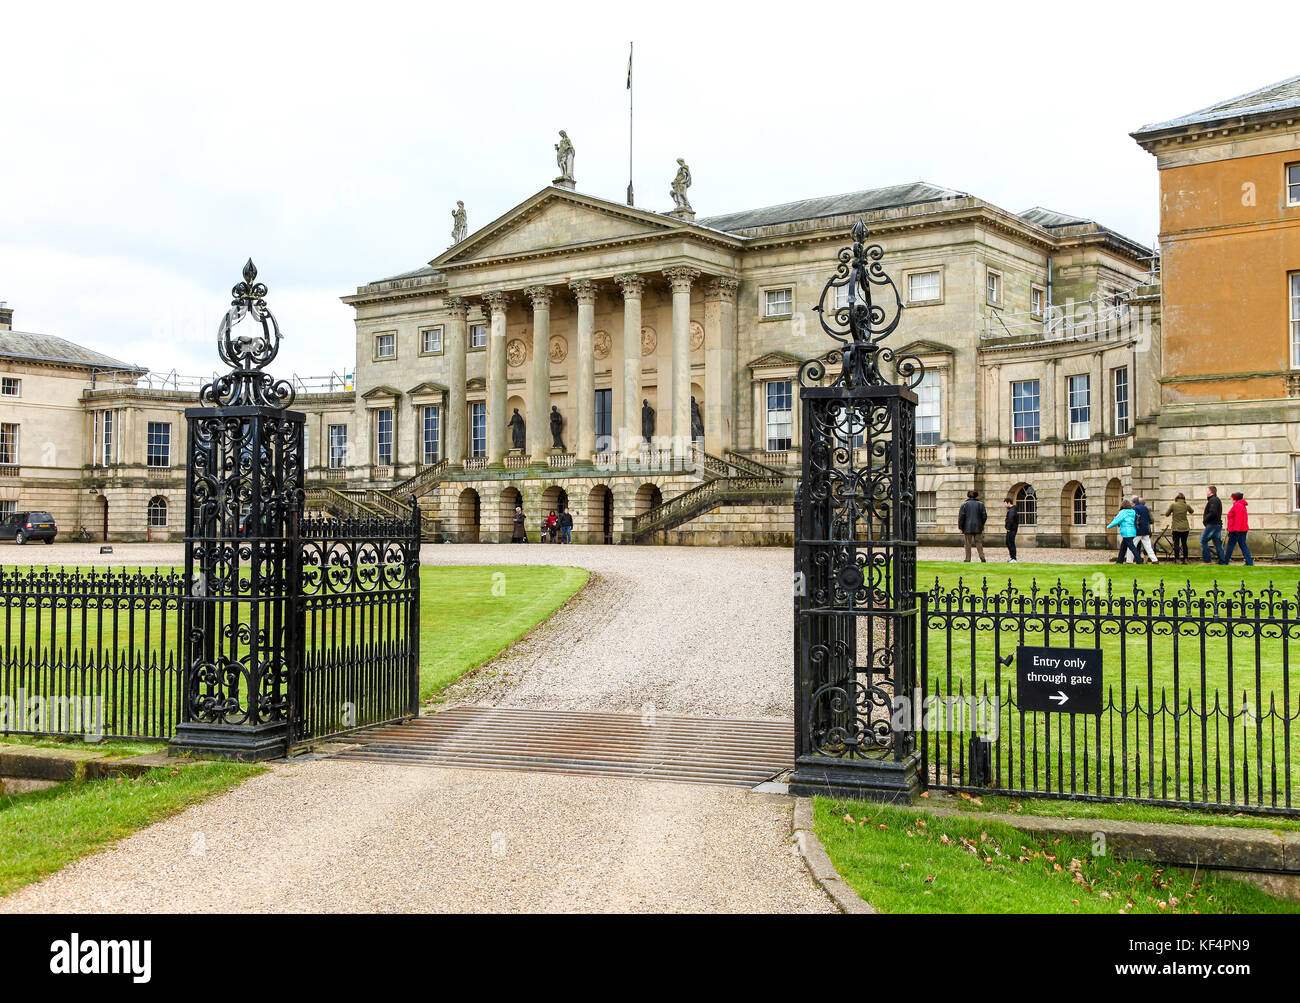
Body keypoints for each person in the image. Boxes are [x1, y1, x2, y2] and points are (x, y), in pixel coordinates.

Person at [1222, 491, 1254, 566]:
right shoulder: (1241, 505)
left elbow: (1238, 519)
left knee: (1230, 546)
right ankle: (1249, 562)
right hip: (1242, 529)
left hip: (1236, 530)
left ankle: (1225, 561)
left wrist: (1236, 529)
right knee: (1243, 545)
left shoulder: (1237, 505)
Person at [1107, 500, 1142, 565]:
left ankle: (1140, 561)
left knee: (1132, 547)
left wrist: (1108, 526)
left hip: (1126, 532)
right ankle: (1119, 561)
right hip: (1132, 531)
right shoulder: (1133, 511)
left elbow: (1116, 520)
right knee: (1123, 547)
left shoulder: (1123, 512)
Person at [957, 489, 987, 563]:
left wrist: (960, 527)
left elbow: (961, 517)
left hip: (967, 527)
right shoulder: (981, 504)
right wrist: (981, 524)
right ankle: (982, 556)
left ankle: (968, 558)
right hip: (978, 526)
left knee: (968, 543)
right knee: (979, 542)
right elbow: (984, 516)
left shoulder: (964, 504)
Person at [1164, 492, 1193, 564]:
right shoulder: (1186, 505)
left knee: (1176, 544)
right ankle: (1185, 559)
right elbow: (1192, 511)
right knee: (1184, 543)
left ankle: (1177, 559)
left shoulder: (1173, 505)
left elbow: (1167, 514)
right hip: (1185, 528)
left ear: (1176, 499)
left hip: (1176, 528)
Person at [1201, 485, 1226, 564]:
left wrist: (1205, 520)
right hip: (1217, 525)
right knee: (1217, 543)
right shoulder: (1216, 500)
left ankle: (1207, 560)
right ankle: (1222, 561)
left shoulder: (1213, 500)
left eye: (1207, 491)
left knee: (1203, 541)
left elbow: (1213, 512)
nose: (1206, 492)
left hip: (1212, 524)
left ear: (1211, 492)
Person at [1132, 495, 1158, 564]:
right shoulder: (1146, 509)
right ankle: (1154, 560)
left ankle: (1133, 560)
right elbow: (1151, 520)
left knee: (1133, 545)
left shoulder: (1134, 508)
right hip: (1146, 530)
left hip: (1138, 530)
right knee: (1148, 546)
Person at [1003, 497, 1019, 563]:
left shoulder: (1012, 510)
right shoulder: (1011, 510)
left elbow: (1011, 520)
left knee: (1011, 543)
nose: (1004, 505)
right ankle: (1012, 557)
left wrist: (1008, 528)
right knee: (1008, 543)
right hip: (1011, 529)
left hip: (1011, 530)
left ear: (1008, 502)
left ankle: (1013, 558)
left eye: (1005, 503)